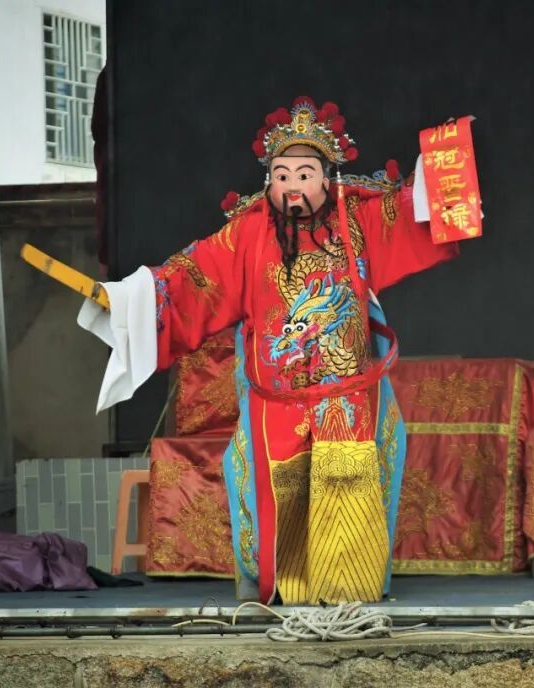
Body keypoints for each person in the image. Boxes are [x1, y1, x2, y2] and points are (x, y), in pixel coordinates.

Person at [78, 96, 471, 604]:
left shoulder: (357, 219)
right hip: (276, 401)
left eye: (304, 174)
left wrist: (446, 153)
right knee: (265, 483)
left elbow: (414, 212)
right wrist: (132, 298)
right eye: (281, 176)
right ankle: (275, 584)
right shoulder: (248, 232)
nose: (292, 186)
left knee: (349, 479)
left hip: (345, 395)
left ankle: (348, 592)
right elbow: (195, 275)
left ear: (327, 178)